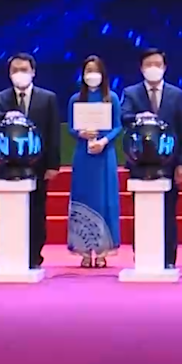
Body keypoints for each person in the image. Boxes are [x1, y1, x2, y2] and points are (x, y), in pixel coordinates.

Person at [120, 47, 182, 270]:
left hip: (168, 163)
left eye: (157, 64)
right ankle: (142, 256)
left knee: (168, 212)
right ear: (141, 68)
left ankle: (168, 258)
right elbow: (123, 116)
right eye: (149, 65)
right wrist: (138, 116)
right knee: (141, 212)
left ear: (165, 67)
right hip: (139, 162)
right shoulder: (131, 93)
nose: (153, 68)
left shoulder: (176, 94)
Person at [0, 53, 62, 270]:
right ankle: (11, 255)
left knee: (37, 211)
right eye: (15, 70)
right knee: (10, 211)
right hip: (7, 166)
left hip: (38, 165)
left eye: (24, 70)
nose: (19, 74)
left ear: (33, 72)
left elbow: (53, 132)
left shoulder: (47, 98)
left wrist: (53, 165)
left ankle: (34, 256)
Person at [66, 55, 122, 268]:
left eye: (95, 71)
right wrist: (80, 133)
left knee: (104, 198)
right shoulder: (76, 99)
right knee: (83, 197)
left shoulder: (111, 98)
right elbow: (71, 127)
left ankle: (101, 251)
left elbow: (117, 126)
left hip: (105, 155)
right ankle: (84, 250)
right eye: (88, 71)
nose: (92, 75)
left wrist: (104, 141)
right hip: (83, 155)